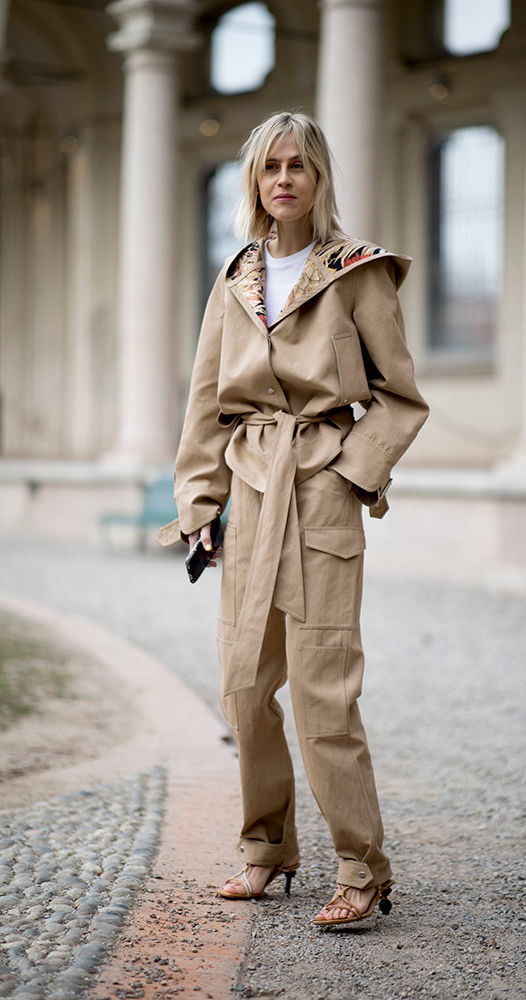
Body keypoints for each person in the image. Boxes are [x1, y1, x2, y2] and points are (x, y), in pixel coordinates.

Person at [159, 111, 428, 926]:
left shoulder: (355, 271)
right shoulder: (235, 276)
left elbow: (399, 398)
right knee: (244, 687)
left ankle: (360, 866)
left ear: (318, 179)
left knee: (321, 692)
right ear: (254, 181)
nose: (283, 179)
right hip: (248, 492)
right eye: (270, 166)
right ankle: (266, 852)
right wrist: (200, 501)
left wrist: (349, 474)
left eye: (298, 166)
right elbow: (207, 401)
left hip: (318, 487)